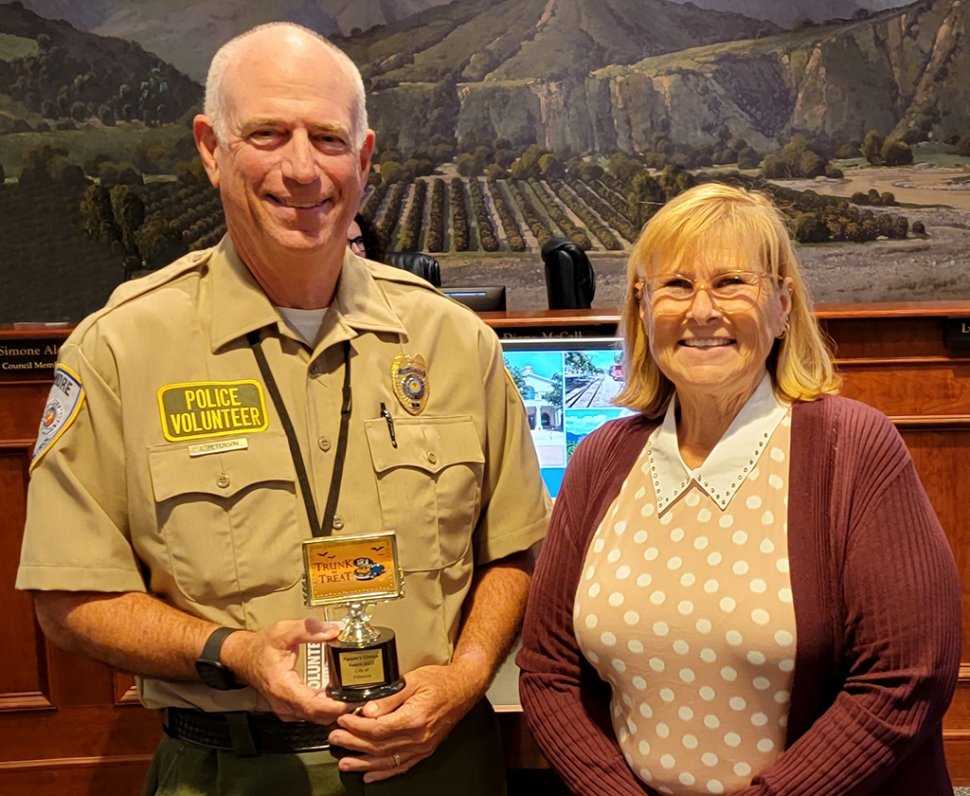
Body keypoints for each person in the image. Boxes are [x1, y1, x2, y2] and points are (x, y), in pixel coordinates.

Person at [17, 22, 550, 796]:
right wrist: (230, 651)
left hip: (438, 763)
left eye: (329, 139)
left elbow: (516, 551)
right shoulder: (119, 350)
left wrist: (467, 676)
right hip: (231, 770)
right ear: (211, 147)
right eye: (267, 134)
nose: (302, 169)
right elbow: (69, 600)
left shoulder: (453, 341)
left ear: (364, 159)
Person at [517, 183, 961, 795]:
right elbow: (549, 672)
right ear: (643, 308)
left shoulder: (853, 447)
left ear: (782, 306)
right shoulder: (601, 459)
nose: (701, 311)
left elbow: (905, 678)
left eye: (731, 283)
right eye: (675, 285)